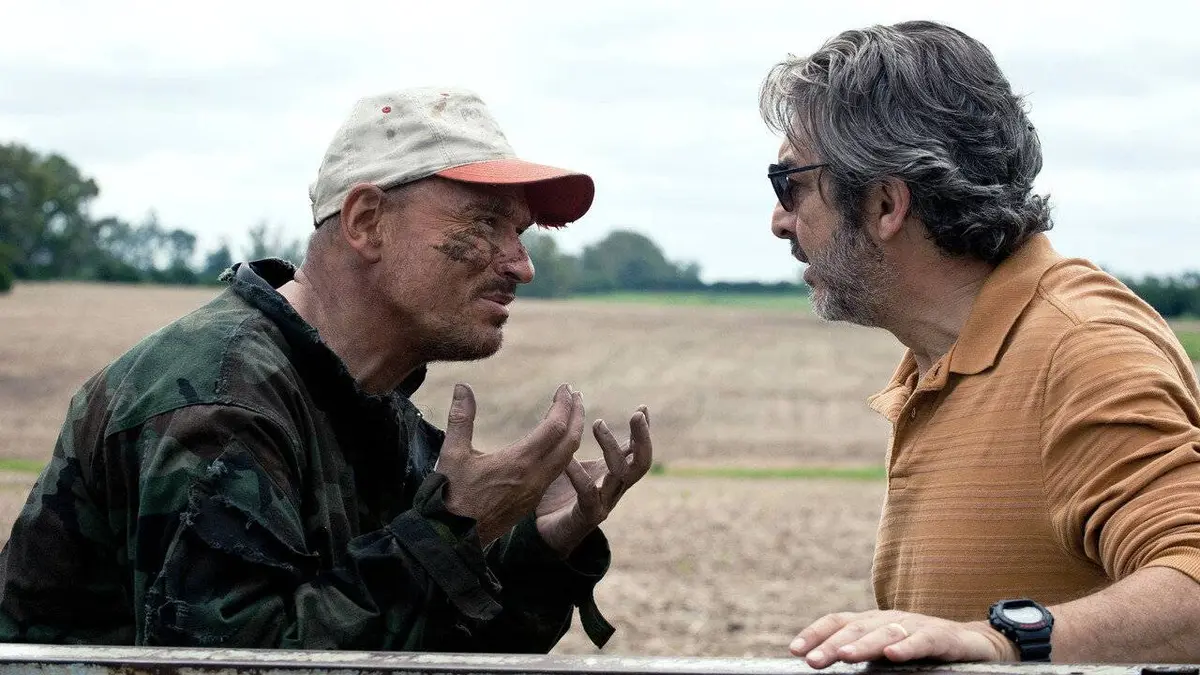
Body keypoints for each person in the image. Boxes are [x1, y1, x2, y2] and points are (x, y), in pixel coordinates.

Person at [0, 87, 653, 652]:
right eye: (485, 223)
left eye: (521, 233)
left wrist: (539, 545)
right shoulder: (219, 401)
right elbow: (236, 665)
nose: (521, 265)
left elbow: (425, 645)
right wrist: (455, 528)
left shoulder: (363, 405)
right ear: (367, 222)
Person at [759, 21, 1200, 666]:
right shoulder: (946, 356)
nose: (779, 220)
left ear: (885, 203)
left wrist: (998, 640)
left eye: (789, 184)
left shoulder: (1082, 347)